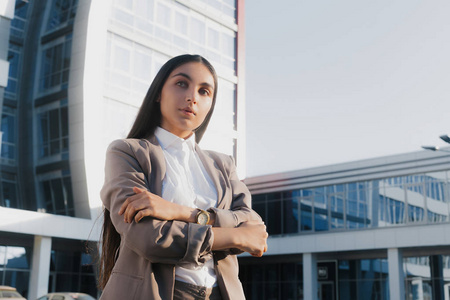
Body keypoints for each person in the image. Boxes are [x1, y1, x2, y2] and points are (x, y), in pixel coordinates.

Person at [98, 54, 268, 300]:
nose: (192, 98)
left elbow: (252, 226)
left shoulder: (223, 164)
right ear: (158, 93)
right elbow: (148, 238)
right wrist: (234, 236)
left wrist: (179, 212)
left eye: (204, 91)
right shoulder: (128, 152)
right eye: (181, 84)